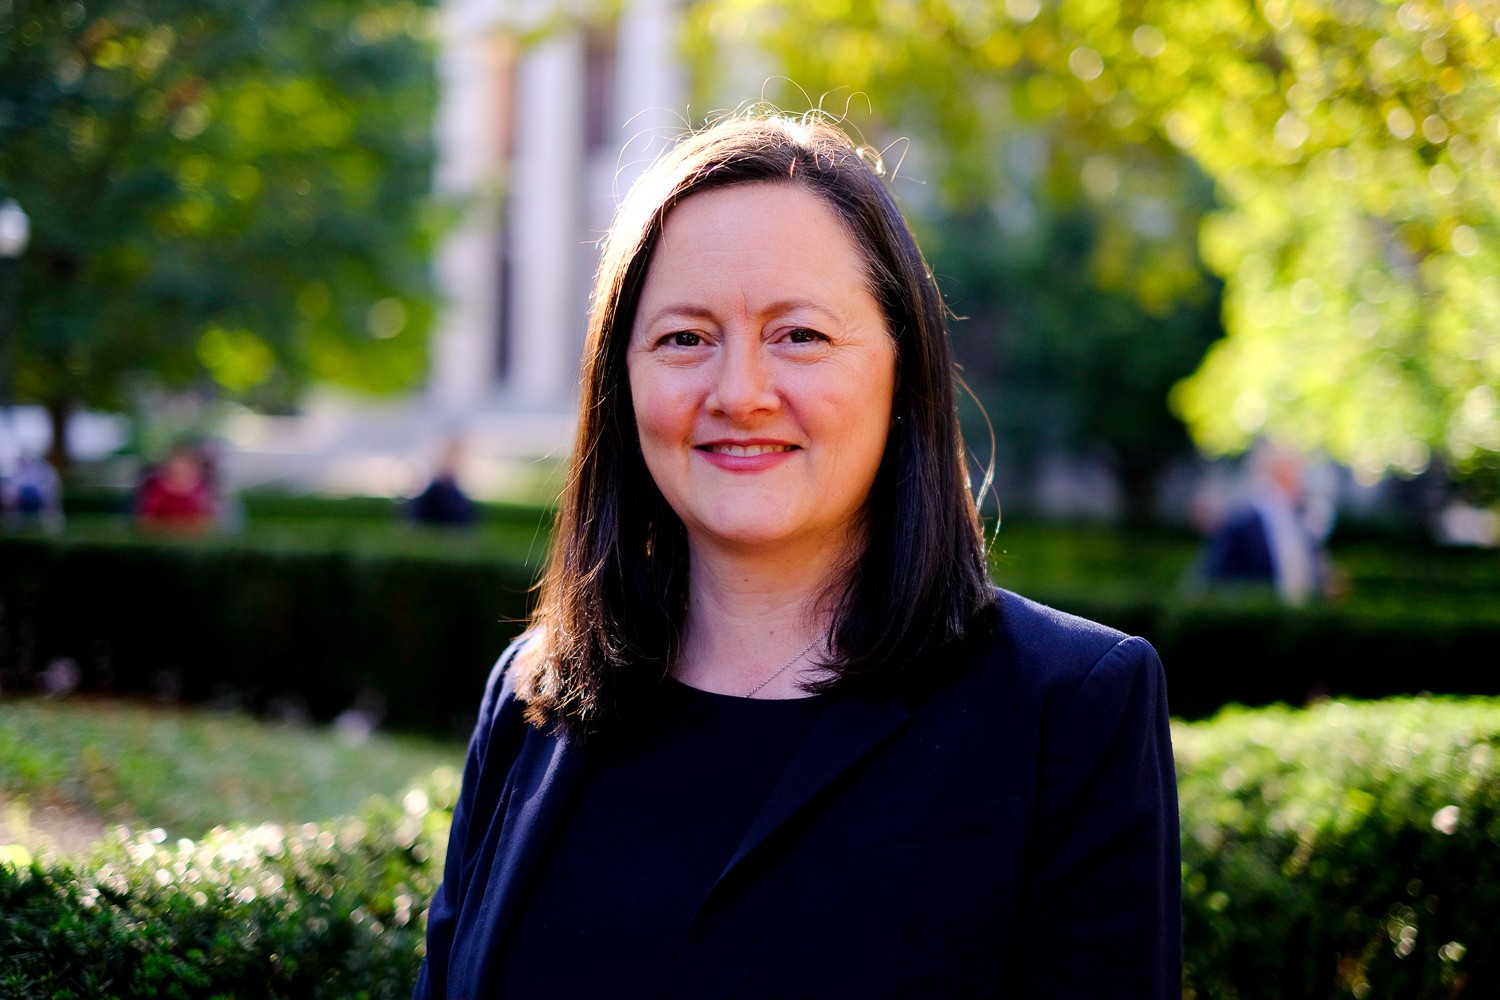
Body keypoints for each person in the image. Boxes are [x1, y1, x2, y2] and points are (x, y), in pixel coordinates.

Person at [415, 112, 1180, 999]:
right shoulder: (532, 699)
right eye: (684, 339)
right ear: (620, 381)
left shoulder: (1070, 710)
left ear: (904, 370)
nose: (740, 393)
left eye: (800, 335)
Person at [1198, 439, 1334, 605]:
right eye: (1295, 471)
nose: (1301, 478)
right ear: (1278, 473)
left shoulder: (1301, 518)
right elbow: (1215, 580)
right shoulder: (1241, 524)